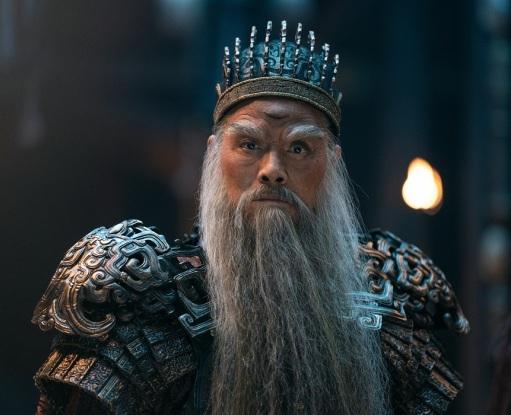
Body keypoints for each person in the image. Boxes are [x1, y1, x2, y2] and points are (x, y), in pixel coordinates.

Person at [31, 21, 469, 415]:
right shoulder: (148, 303)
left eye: (299, 148)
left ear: (332, 163)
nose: (272, 169)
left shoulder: (389, 304)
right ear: (213, 154)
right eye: (249, 144)